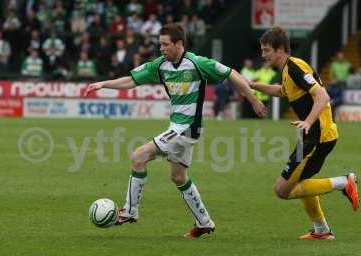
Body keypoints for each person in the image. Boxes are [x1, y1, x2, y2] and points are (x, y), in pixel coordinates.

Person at [85, 23, 265, 239]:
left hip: (187, 127)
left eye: (165, 44)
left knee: (139, 156)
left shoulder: (197, 63)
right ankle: (204, 223)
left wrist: (253, 99)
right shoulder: (160, 66)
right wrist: (103, 84)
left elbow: (232, 73)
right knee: (178, 176)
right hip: (177, 127)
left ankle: (130, 211)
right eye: (159, 44)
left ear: (180, 44)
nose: (161, 48)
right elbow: (131, 80)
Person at [248, 26, 359, 240]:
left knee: (282, 190)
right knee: (303, 181)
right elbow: (281, 91)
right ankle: (321, 230)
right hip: (313, 136)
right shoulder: (288, 71)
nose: (263, 55)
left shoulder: (295, 67)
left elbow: (323, 96)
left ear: (281, 49)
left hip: (318, 137)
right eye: (262, 50)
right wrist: (251, 85)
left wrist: (308, 121)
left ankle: (345, 182)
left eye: (267, 50)